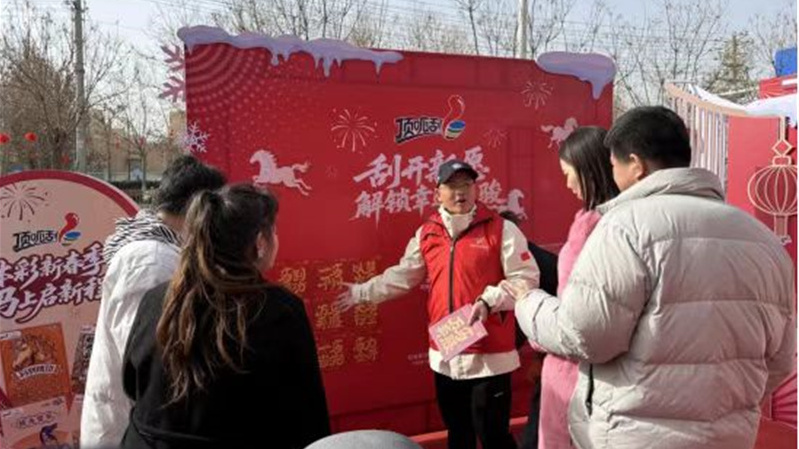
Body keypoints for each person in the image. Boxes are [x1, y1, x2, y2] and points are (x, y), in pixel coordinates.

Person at [515, 106, 796, 449]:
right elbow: (781, 359)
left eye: (614, 165)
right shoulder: (763, 239)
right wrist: (725, 407)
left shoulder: (622, 228)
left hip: (635, 435)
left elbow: (586, 335)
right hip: (731, 436)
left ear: (636, 164)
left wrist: (528, 303)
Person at [337, 160, 540, 449]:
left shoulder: (502, 229)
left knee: (494, 437)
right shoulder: (427, 233)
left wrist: (489, 300)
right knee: (458, 435)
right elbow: (403, 276)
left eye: (467, 185)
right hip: (447, 352)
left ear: (476, 189)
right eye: (452, 186)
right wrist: (361, 292)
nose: (461, 192)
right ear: (437, 193)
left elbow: (526, 279)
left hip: (489, 357)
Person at [120, 184, 330, 448]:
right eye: (274, 231)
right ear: (260, 243)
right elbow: (309, 415)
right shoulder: (279, 311)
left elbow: (132, 383)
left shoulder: (157, 299)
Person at [82, 155, 226, 448]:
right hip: (135, 430)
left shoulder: (161, 251)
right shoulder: (152, 262)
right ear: (197, 208)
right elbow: (151, 361)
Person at [498, 210, 559, 449]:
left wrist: (542, 359)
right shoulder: (494, 260)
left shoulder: (545, 266)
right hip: (495, 357)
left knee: (539, 428)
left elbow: (559, 320)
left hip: (555, 357)